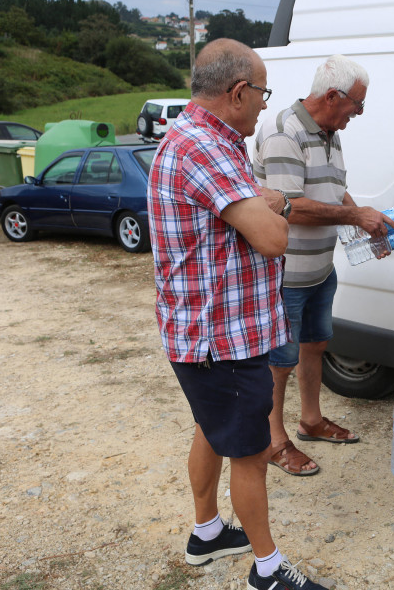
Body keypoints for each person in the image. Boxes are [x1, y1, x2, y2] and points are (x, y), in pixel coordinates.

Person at [147, 38, 327, 590]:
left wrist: (260, 198)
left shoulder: (197, 139)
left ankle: (207, 532)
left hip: (207, 333)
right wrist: (274, 205)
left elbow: (243, 210)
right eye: (262, 93)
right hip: (221, 339)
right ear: (239, 92)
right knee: (250, 451)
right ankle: (268, 571)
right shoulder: (206, 146)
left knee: (212, 428)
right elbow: (274, 239)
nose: (264, 105)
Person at [253, 54, 394, 476]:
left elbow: (336, 192)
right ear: (333, 96)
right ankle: (274, 441)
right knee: (280, 361)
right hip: (287, 274)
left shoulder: (330, 132)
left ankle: (311, 421)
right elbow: (287, 209)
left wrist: (368, 225)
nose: (359, 113)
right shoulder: (285, 133)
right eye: (357, 104)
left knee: (314, 345)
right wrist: (356, 217)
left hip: (319, 270)